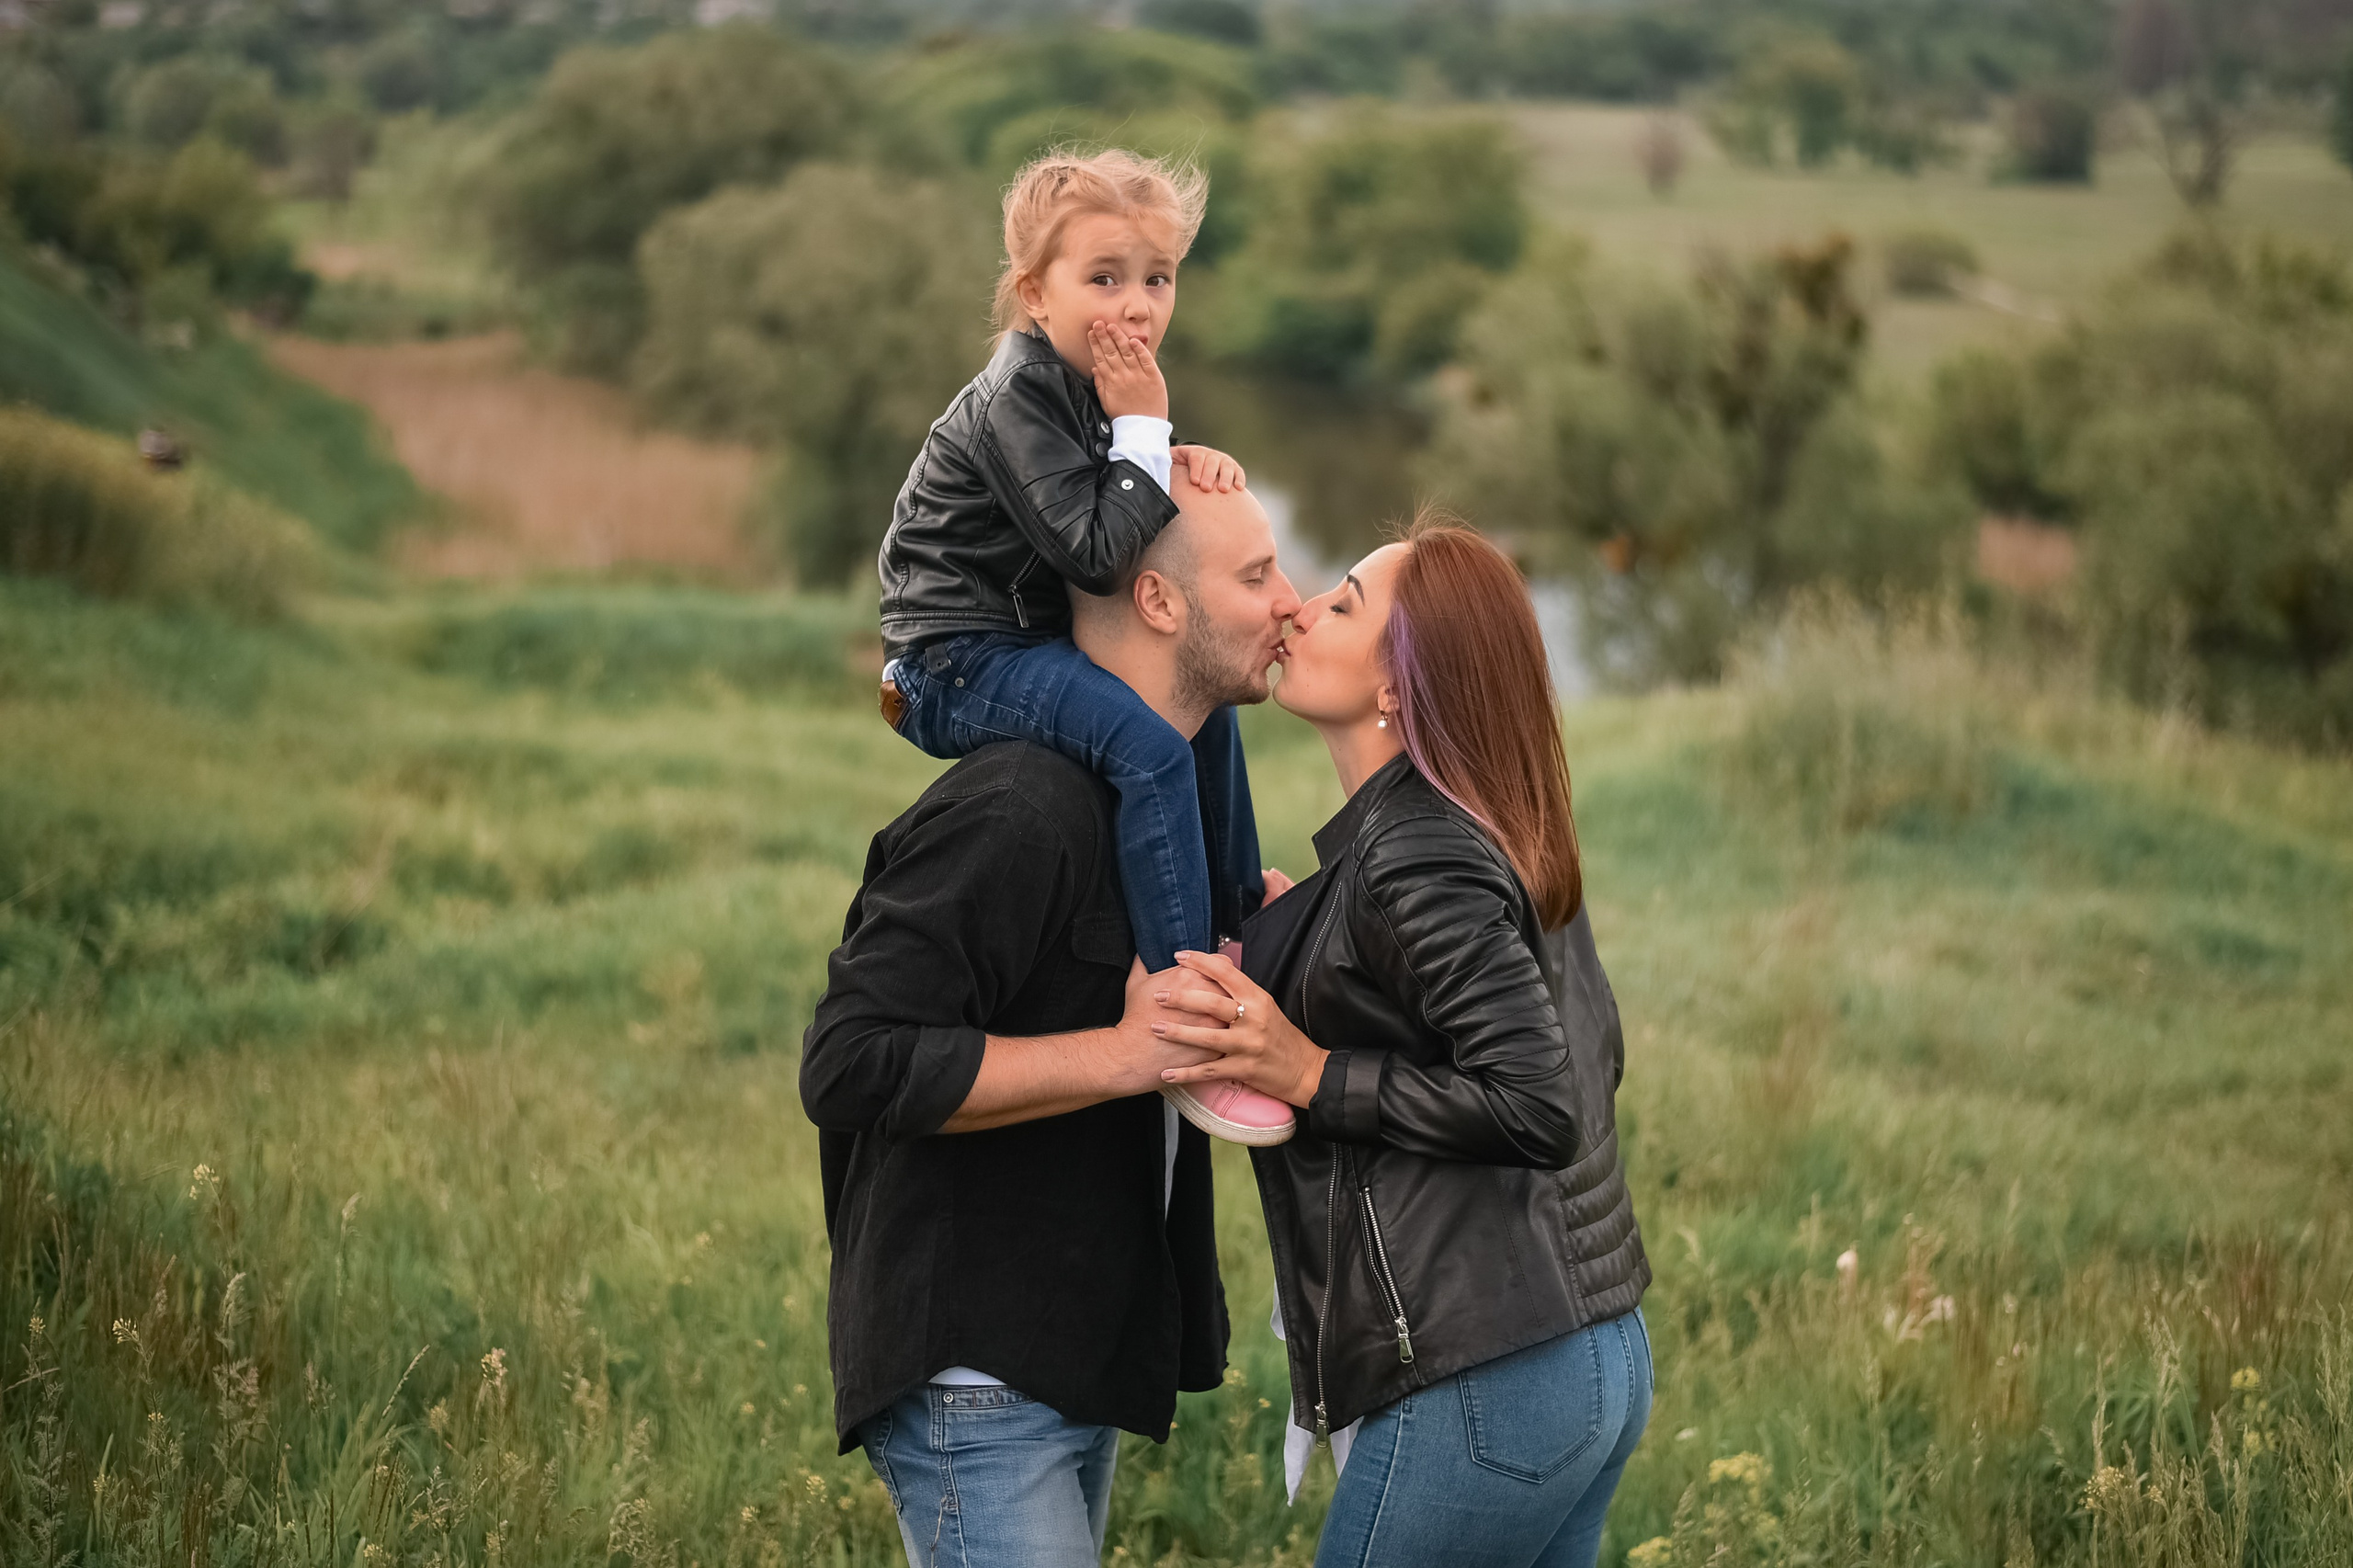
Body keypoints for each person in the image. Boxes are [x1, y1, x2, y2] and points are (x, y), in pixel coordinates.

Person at [801, 473, 1302, 1568]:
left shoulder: (1160, 807)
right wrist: (1126, 1052)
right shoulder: (1018, 805)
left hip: (1072, 1351)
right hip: (976, 1374)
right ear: (1160, 602)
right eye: (1258, 575)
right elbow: (850, 1062)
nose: (1292, 603)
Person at [1149, 517, 1654, 1568]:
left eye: (1341, 604)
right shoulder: (1488, 822)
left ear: (1399, 684)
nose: (1297, 607)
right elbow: (1567, 1047)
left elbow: (1540, 1101)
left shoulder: (1419, 850)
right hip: (1594, 1347)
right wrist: (1306, 953)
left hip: (1489, 1372)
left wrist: (1310, 1071)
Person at [874, 146, 1294, 1146]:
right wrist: (1146, 429)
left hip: (1021, 637)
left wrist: (1176, 451)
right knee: (1147, 744)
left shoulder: (1085, 380)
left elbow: (1114, 486)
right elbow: (1099, 554)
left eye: (1157, 279)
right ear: (1033, 292)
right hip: (954, 657)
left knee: (1201, 713)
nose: (1137, 304)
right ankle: (1191, 1027)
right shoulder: (1017, 395)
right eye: (1104, 278)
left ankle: (1236, 924)